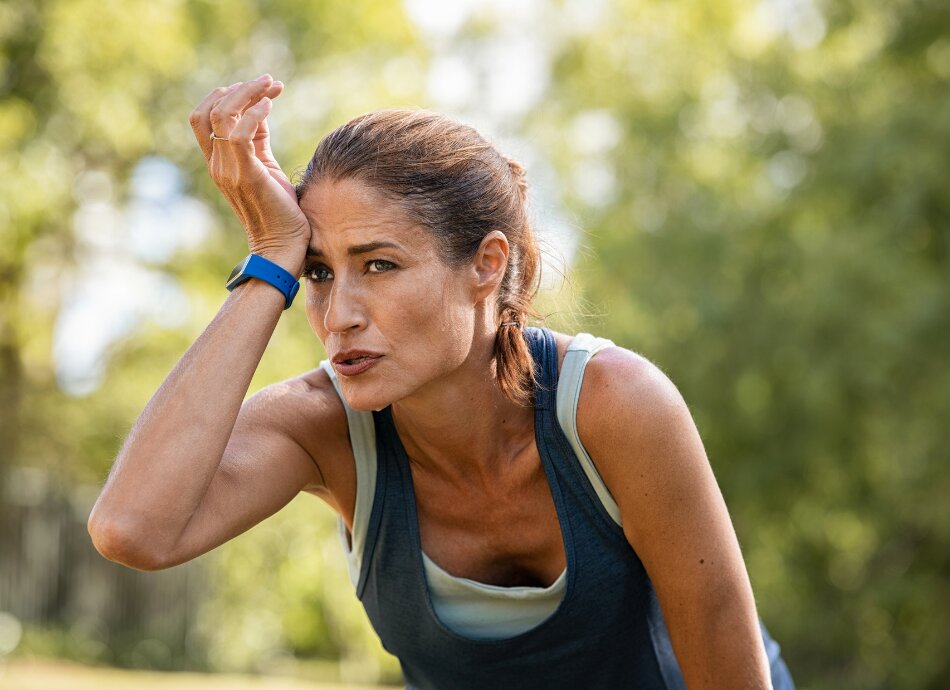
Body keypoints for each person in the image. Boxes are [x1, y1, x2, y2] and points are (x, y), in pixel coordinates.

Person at [87, 74, 795, 690]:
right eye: (319, 272)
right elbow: (132, 529)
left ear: (487, 264)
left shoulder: (614, 405)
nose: (338, 316)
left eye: (380, 265)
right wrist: (271, 258)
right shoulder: (324, 428)